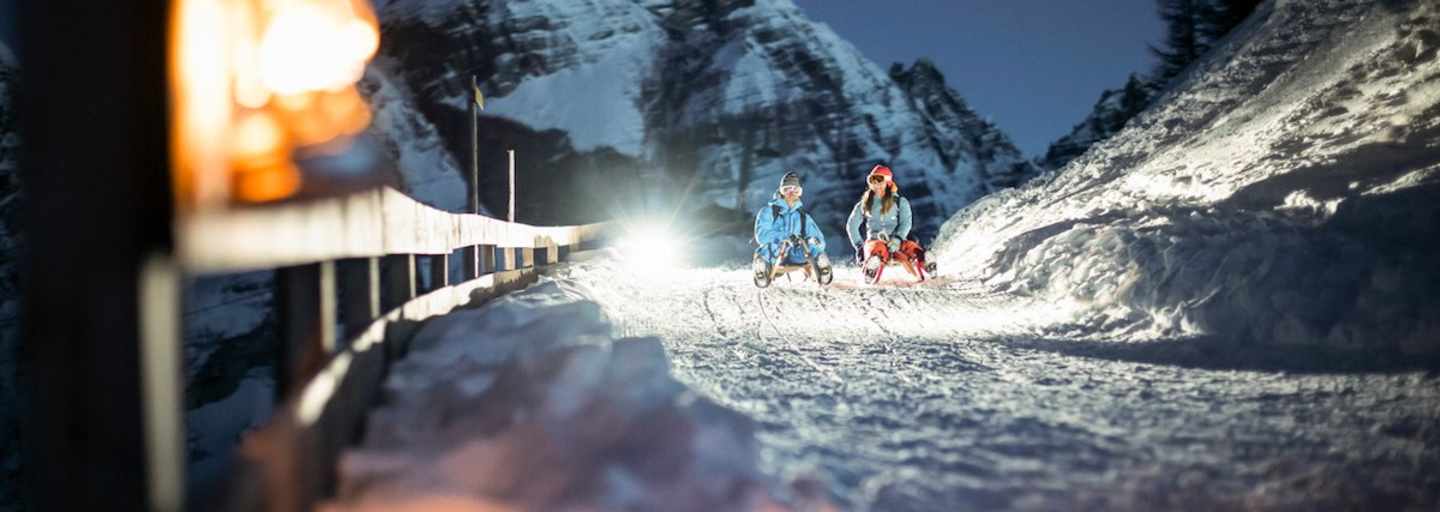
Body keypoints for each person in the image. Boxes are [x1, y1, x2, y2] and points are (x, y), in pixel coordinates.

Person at [845, 163, 933, 281]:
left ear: (888, 182)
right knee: (876, 249)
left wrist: (898, 238)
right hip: (875, 240)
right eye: (872, 181)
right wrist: (859, 246)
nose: (876, 185)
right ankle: (872, 267)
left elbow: (906, 222)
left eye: (879, 180)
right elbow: (852, 225)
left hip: (897, 241)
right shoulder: (865, 204)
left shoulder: (899, 202)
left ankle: (926, 262)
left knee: (910, 248)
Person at [753, 171, 831, 285]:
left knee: (812, 245)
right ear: (781, 191)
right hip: (776, 254)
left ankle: (822, 268)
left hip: (796, 254)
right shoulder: (768, 212)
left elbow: (819, 239)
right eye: (787, 189)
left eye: (796, 190)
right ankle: (762, 270)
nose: (791, 193)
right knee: (768, 247)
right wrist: (784, 237)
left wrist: (811, 242)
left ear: (799, 193)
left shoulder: (803, 216)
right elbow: (762, 235)